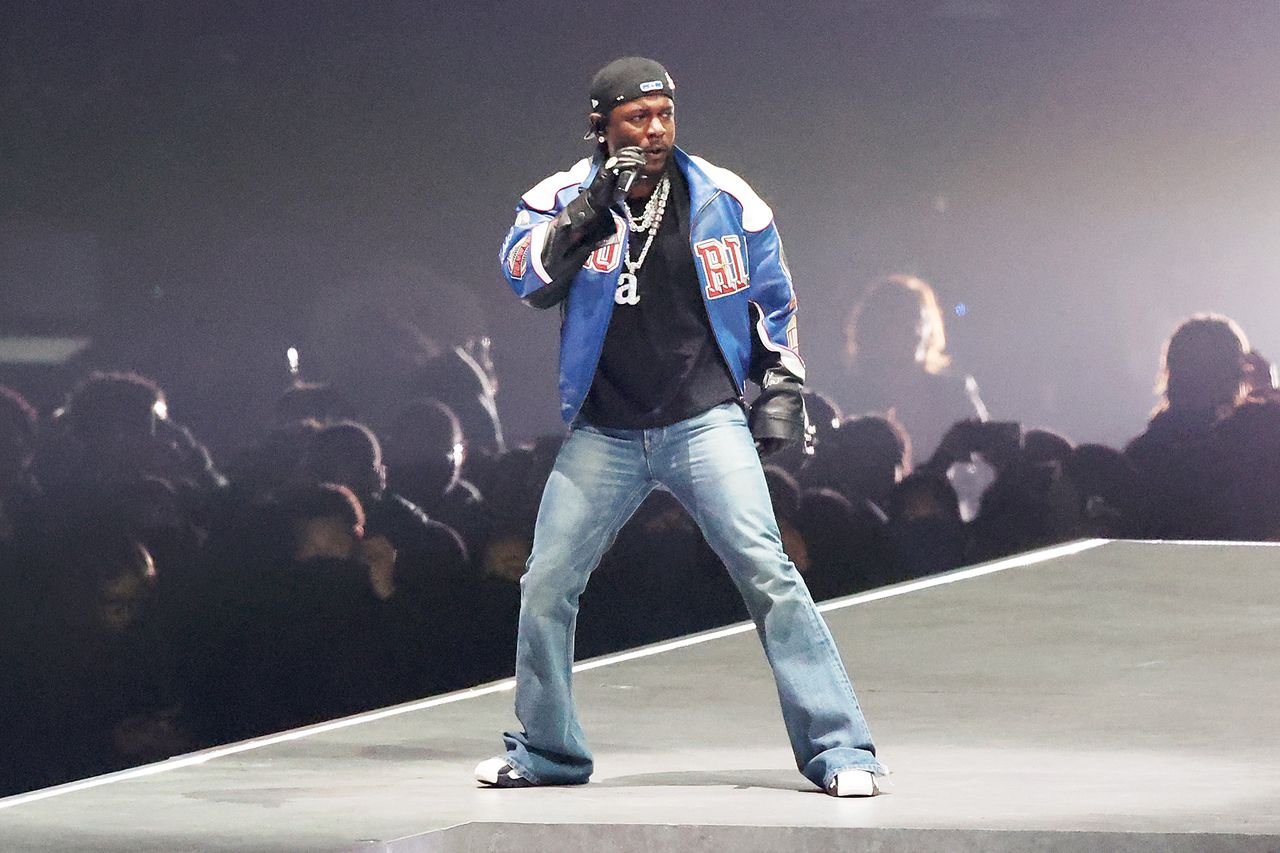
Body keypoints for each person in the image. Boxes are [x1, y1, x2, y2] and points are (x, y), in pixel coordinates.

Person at [477, 57, 885, 797]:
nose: (656, 129)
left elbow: (773, 297)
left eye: (665, 114)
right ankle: (548, 752)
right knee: (545, 584)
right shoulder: (560, 195)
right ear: (601, 125)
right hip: (605, 428)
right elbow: (525, 277)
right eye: (638, 117)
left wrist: (783, 381)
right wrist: (590, 209)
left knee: (768, 571)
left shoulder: (724, 196)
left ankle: (841, 751)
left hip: (703, 420)